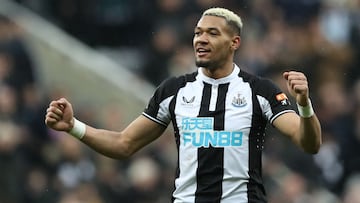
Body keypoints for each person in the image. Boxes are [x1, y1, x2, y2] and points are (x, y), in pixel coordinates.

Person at [45, 7, 322, 203]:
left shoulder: (259, 91)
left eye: (212, 33)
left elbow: (309, 143)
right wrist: (73, 126)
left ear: (234, 42)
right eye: (198, 33)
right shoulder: (173, 91)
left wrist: (305, 106)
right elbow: (123, 143)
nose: (201, 39)